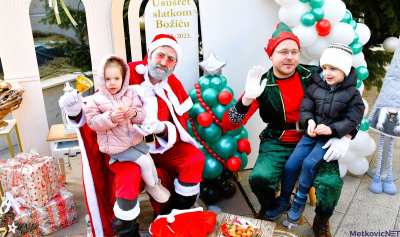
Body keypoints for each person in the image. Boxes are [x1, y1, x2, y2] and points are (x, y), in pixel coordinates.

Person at [221, 23, 359, 237]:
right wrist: (247, 98)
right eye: (283, 52)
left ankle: (322, 218)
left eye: (294, 52)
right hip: (277, 141)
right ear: (271, 54)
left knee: (330, 183)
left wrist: (347, 136)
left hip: (315, 139)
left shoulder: (315, 74)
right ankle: (272, 206)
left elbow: (350, 102)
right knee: (259, 178)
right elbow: (229, 124)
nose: (290, 57)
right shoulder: (262, 84)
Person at [61, 34, 205, 237]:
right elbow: (94, 107)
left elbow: (179, 126)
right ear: (150, 54)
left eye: (170, 59)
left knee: (195, 158)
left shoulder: (174, 86)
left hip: (159, 147)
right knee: (128, 175)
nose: (164, 62)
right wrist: (74, 110)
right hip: (127, 148)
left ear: (175, 64)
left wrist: (160, 129)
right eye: (160, 55)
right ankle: (126, 230)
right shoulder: (125, 75)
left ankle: (173, 213)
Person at [264, 43, 364, 224]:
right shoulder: (316, 86)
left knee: (310, 164)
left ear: (345, 70)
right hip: (310, 135)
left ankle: (300, 199)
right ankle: (284, 198)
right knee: (292, 164)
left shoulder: (352, 94)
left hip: (328, 140)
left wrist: (334, 130)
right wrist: (309, 121)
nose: (327, 73)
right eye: (324, 67)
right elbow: (306, 108)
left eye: (333, 68)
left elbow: (353, 118)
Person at [85, 55, 170, 204]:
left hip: (135, 140)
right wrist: (110, 118)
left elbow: (141, 113)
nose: (112, 83)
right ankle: (152, 187)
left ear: (123, 78)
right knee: (145, 162)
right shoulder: (95, 100)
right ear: (101, 79)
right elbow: (92, 122)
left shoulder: (130, 93)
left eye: (116, 79)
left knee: (149, 159)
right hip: (116, 146)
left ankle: (156, 182)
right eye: (107, 79)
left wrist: (135, 113)